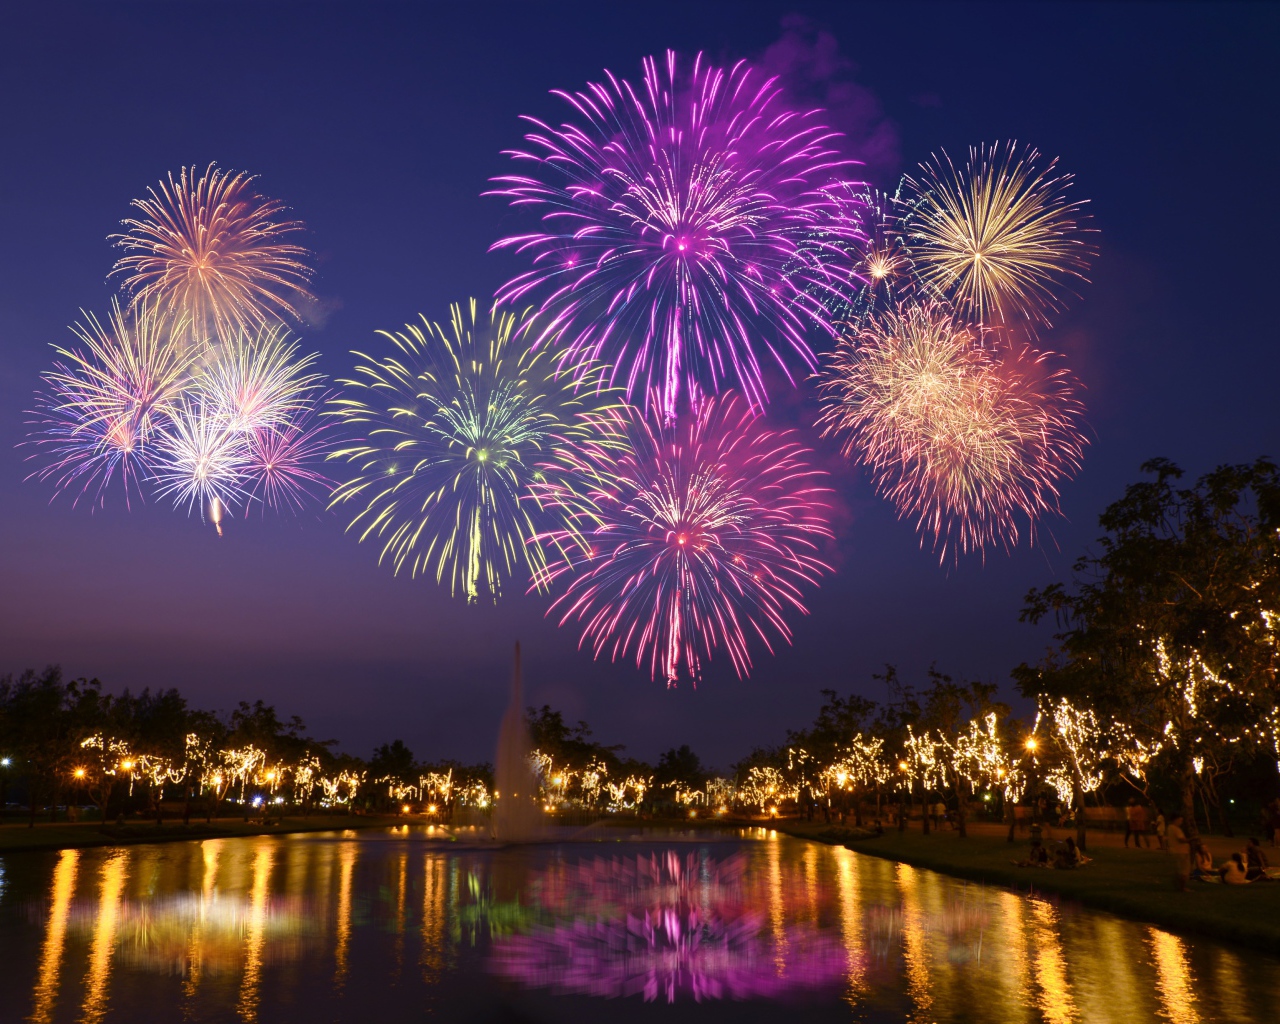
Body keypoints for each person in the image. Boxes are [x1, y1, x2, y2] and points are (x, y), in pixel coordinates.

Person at [1167, 814, 1190, 889]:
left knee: (1178, 870)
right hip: (1181, 852)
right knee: (1184, 871)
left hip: (1174, 851)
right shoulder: (1176, 829)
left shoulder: (1169, 828)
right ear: (1175, 820)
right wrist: (1190, 840)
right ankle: (1183, 887)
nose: (1181, 822)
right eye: (1180, 820)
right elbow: (1181, 839)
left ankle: (1177, 886)